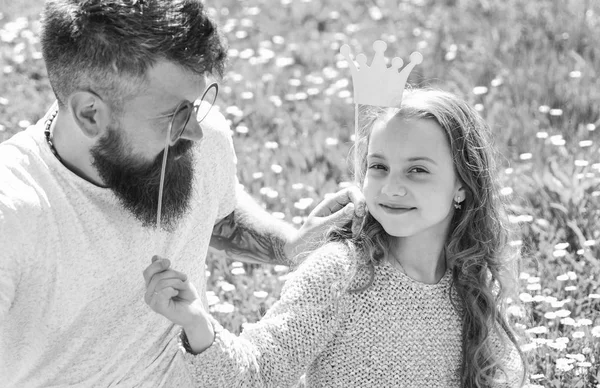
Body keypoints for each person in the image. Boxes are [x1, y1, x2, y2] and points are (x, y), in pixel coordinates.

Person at [0, 1, 364, 387]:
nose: (195, 130)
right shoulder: (14, 213)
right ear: (91, 114)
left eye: (194, 104)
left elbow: (217, 214)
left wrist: (290, 246)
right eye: (174, 114)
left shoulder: (199, 141)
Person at [144, 88, 529, 387]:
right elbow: (259, 374)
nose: (391, 188)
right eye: (379, 166)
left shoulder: (476, 281)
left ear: (462, 185)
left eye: (417, 171)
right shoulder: (341, 274)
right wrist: (197, 325)